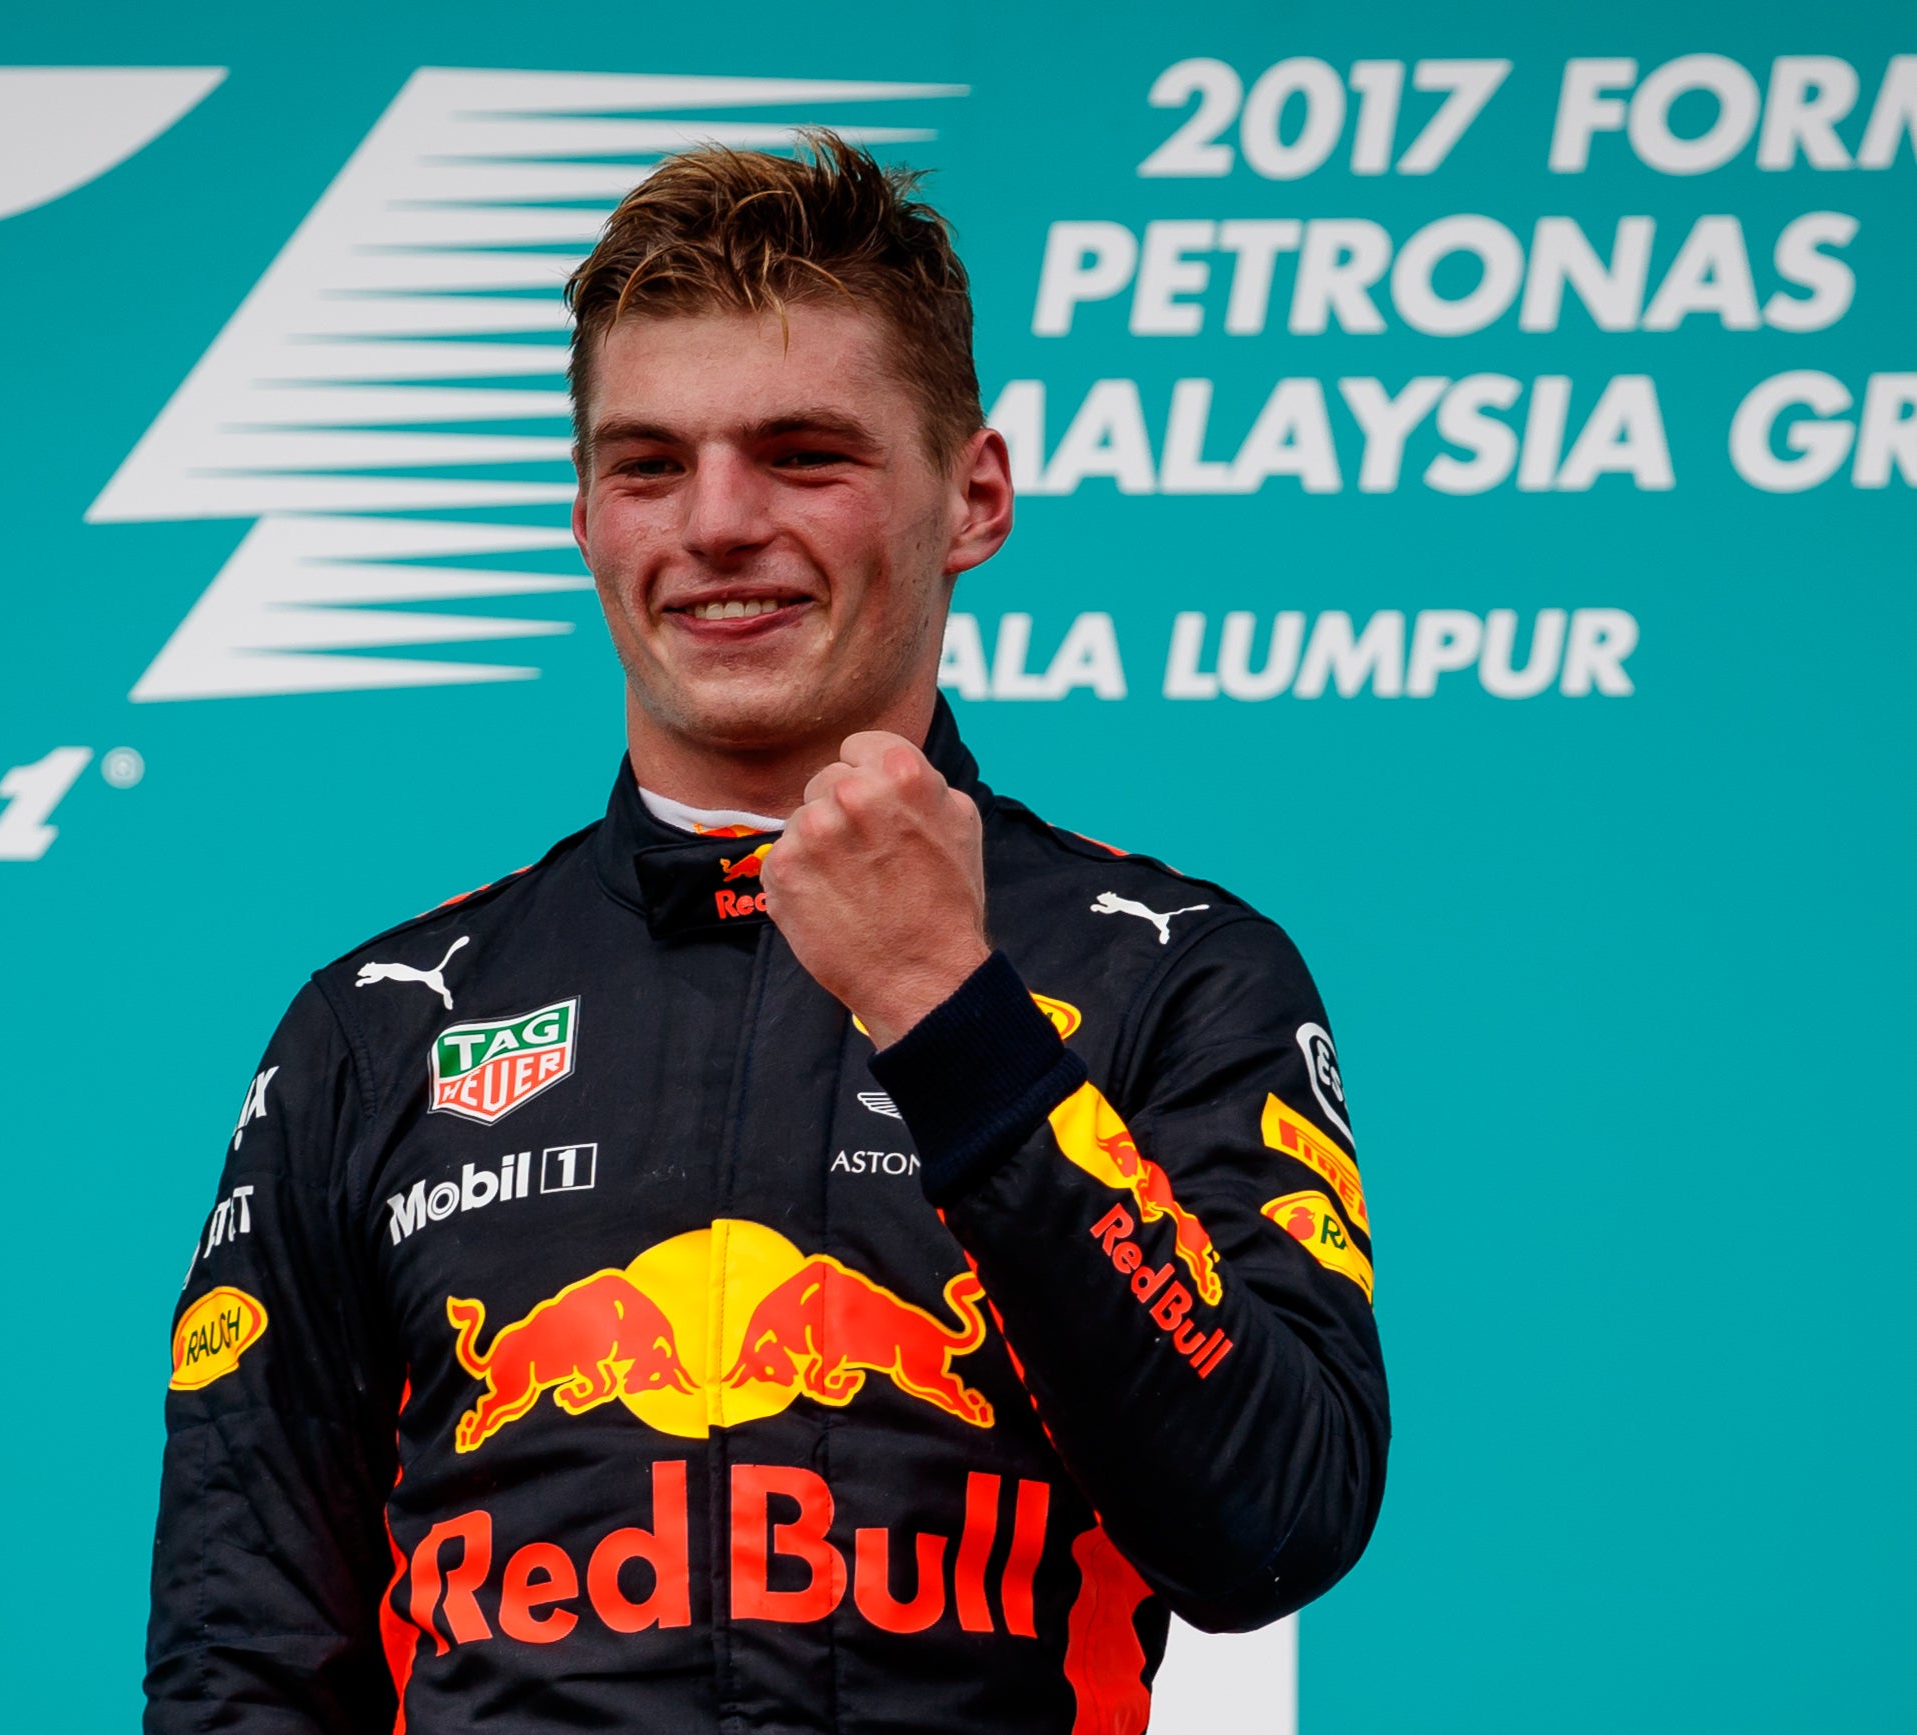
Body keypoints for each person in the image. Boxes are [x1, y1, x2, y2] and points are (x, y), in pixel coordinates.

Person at [145, 134, 1386, 1735]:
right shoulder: (383, 1021)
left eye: (804, 453)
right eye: (650, 463)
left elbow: (1272, 1522)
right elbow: (241, 1664)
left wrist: (953, 1017)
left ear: (974, 496)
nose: (717, 524)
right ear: (586, 513)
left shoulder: (1169, 970)